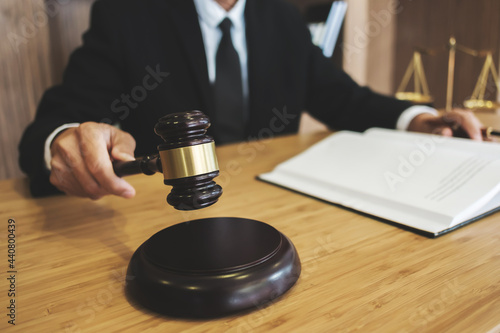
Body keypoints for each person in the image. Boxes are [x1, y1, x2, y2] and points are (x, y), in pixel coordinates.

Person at [19, 0, 484, 200]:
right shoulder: (128, 13)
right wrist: (65, 141)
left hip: (272, 210)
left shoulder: (281, 18)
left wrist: (419, 119)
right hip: (159, 222)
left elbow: (345, 99)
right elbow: (58, 123)